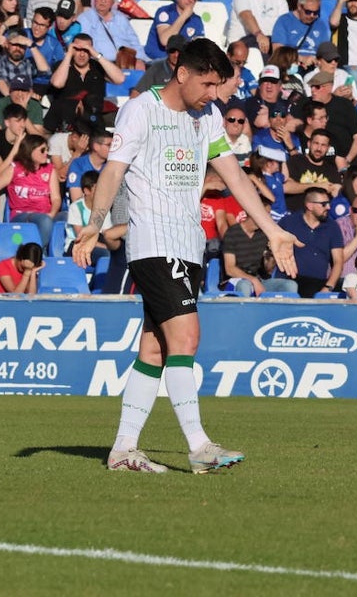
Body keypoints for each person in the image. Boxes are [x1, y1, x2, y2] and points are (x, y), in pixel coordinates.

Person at [72, 38, 297, 474]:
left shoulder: (208, 115)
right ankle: (199, 445)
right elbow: (113, 170)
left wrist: (272, 230)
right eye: (208, 83)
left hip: (189, 244)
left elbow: (232, 174)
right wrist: (94, 225)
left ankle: (123, 450)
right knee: (187, 339)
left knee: (155, 348)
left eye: (218, 85)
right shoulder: (140, 111)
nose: (214, 94)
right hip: (153, 242)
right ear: (182, 74)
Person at [0, 133, 62, 250]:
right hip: (22, 214)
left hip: (45, 214)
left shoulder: (50, 169)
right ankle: (35, 254)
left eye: (47, 150)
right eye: (42, 150)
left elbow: (56, 198)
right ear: (30, 150)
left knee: (67, 217)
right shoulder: (15, 168)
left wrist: (52, 213)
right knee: (45, 221)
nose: (46, 153)